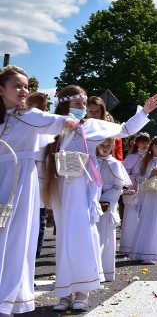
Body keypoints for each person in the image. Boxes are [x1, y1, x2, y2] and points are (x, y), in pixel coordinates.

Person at [42, 85, 157, 312]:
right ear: (65, 104)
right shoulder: (55, 126)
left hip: (84, 189)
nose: (83, 108)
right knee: (64, 240)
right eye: (78, 104)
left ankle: (82, 291)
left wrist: (144, 112)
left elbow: (125, 129)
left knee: (84, 236)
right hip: (61, 188)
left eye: (84, 105)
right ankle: (64, 292)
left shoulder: (92, 126)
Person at [0, 66, 78, 317]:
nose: (23, 91)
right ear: (1, 90)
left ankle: (6, 299)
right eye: (17, 86)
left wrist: (69, 120)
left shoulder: (32, 116)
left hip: (20, 182)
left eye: (26, 86)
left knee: (14, 240)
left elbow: (58, 122)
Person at [129, 135, 157, 264]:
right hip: (147, 195)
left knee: (156, 222)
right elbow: (138, 177)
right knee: (145, 220)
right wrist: (150, 175)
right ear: (152, 147)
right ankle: (141, 252)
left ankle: (151, 253)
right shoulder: (146, 161)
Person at [95, 137, 130, 281]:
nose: (104, 147)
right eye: (101, 144)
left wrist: (103, 199)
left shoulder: (115, 164)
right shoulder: (91, 161)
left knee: (106, 238)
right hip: (92, 203)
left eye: (108, 145)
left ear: (113, 146)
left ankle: (105, 271)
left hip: (107, 205)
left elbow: (119, 187)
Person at [26, 91, 53, 260]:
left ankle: (33, 257)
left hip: (41, 177)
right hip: (23, 175)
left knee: (38, 217)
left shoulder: (48, 125)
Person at [119, 133, 150, 255]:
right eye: (142, 142)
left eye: (147, 142)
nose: (145, 145)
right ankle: (128, 245)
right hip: (133, 188)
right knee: (131, 216)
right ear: (137, 143)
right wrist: (132, 178)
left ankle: (141, 244)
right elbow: (123, 171)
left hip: (146, 187)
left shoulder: (150, 157)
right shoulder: (131, 157)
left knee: (143, 216)